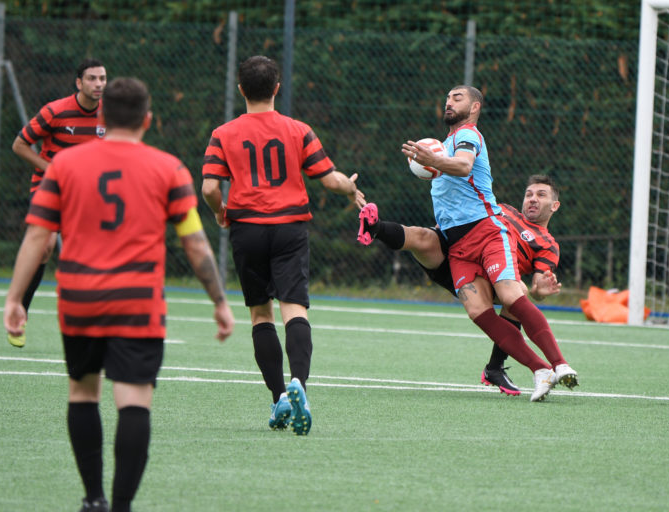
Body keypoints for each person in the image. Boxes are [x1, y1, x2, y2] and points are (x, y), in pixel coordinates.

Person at [4, 77, 235, 512]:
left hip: (80, 299)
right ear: (147, 120)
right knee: (134, 402)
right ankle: (122, 506)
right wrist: (220, 302)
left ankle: (93, 499)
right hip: (138, 302)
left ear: (102, 117)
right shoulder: (169, 169)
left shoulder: (63, 167)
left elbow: (37, 237)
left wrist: (16, 297)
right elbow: (194, 242)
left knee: (82, 393)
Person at [201, 55, 365, 434]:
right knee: (294, 308)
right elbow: (330, 179)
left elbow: (209, 187)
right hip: (290, 228)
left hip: (247, 229)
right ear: (277, 88)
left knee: (261, 315)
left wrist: (220, 211)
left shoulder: (223, 133)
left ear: (241, 89)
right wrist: (350, 188)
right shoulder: (297, 129)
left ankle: (278, 399)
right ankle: (299, 385)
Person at [385, 85, 575, 401]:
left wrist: (432, 159)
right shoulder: (447, 145)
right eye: (447, 98)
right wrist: (432, 161)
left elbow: (463, 166)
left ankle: (559, 364)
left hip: (486, 234)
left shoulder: (467, 135)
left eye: (457, 98)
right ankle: (540, 370)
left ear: (475, 107)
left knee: (512, 294)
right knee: (477, 311)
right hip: (458, 247)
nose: (449, 102)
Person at [358, 174, 574, 396]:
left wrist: (540, 291)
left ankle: (504, 367)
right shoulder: (503, 210)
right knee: (422, 237)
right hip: (458, 251)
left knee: (519, 290)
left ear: (555, 205)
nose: (533, 199)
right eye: (529, 194)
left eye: (541, 195)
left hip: (489, 279)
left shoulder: (548, 244)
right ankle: (375, 227)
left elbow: (538, 286)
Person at [8, 58, 108, 348]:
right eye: (92, 78)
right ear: (79, 83)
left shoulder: (110, 115)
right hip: (49, 188)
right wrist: (53, 170)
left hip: (86, 194)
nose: (98, 84)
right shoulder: (55, 111)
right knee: (44, 247)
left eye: (102, 78)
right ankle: (19, 313)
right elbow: (19, 145)